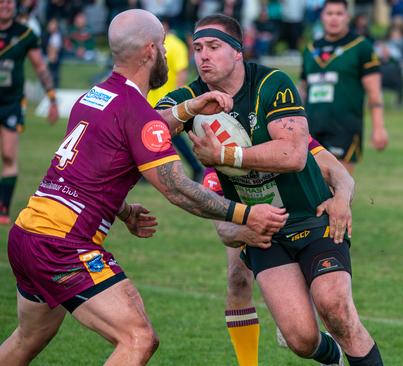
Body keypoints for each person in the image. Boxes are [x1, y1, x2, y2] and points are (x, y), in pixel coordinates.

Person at [0, 9, 287, 365]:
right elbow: (178, 188)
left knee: (27, 339)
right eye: (165, 47)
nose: (168, 55)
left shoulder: (96, 96)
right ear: (150, 51)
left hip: (27, 233)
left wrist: (122, 209)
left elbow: (86, 168)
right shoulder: (134, 109)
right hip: (62, 245)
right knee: (137, 338)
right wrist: (247, 214)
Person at [155, 13, 383, 366]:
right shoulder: (192, 97)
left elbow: (294, 156)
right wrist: (189, 108)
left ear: (237, 51)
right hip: (265, 233)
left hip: (312, 216)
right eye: (198, 48)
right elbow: (152, 131)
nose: (203, 56)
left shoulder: (273, 84)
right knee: (301, 340)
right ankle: (333, 357)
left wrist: (341, 196)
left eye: (214, 47)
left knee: (335, 309)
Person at [202, 136, 354, 366]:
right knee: (237, 278)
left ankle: (305, 317)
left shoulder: (282, 129)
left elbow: (338, 172)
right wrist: (244, 233)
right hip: (250, 219)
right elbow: (224, 230)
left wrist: (341, 199)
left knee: (307, 324)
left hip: (299, 217)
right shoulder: (221, 151)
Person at [301, 0, 388, 175]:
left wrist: (379, 128)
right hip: (312, 127)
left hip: (345, 128)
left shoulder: (361, 47)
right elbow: (303, 90)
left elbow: (374, 93)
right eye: (330, 13)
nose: (334, 18)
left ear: (347, 17)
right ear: (322, 16)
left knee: (339, 188)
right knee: (312, 194)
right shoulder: (310, 49)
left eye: (339, 13)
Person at [0, 0, 58, 224]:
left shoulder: (25, 35)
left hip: (12, 103)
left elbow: (41, 67)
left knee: (8, 154)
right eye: (1, 2)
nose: (5, 6)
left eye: (9, 2)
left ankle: (3, 208)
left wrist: (52, 98)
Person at [147, 17, 204, 182]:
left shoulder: (174, 45)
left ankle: (195, 167)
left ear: (165, 26)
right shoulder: (157, 44)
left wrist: (177, 97)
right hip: (154, 100)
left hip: (166, 101)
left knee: (174, 137)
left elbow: (182, 71)